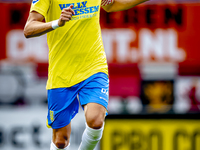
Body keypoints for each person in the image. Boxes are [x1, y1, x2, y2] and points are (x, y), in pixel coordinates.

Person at [24, 0, 148, 149]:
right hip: (61, 74)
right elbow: (29, 29)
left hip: (94, 67)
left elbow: (111, 5)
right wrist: (57, 22)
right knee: (60, 140)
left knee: (96, 121)